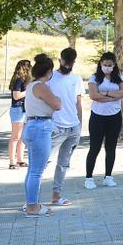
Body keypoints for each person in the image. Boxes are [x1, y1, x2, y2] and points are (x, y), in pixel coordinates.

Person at [22, 54, 62, 217]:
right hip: (41, 127)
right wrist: (57, 97)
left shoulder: (32, 85)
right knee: (37, 171)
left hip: (32, 126)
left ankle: (31, 203)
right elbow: (57, 104)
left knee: (32, 170)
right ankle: (32, 207)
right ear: (49, 71)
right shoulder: (41, 87)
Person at [85, 51, 123, 189]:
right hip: (97, 117)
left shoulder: (119, 78)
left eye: (110, 65)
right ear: (101, 64)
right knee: (95, 148)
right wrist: (114, 96)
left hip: (114, 117)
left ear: (114, 65)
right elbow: (93, 95)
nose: (107, 67)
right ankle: (89, 178)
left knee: (111, 148)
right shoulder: (94, 78)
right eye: (105, 65)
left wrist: (106, 93)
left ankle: (108, 176)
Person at [47, 47, 84, 205]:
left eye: (70, 63)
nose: (67, 65)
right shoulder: (50, 78)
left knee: (64, 164)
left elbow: (79, 103)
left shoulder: (77, 79)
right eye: (65, 62)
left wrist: (80, 125)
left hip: (73, 127)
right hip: (56, 127)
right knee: (44, 160)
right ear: (59, 59)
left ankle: (56, 194)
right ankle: (31, 198)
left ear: (74, 62)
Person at [7, 59, 31, 169]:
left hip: (24, 109)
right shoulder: (19, 80)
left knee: (23, 137)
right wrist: (28, 91)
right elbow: (16, 96)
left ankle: (20, 160)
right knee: (16, 137)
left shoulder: (25, 79)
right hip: (18, 109)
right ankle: (12, 162)